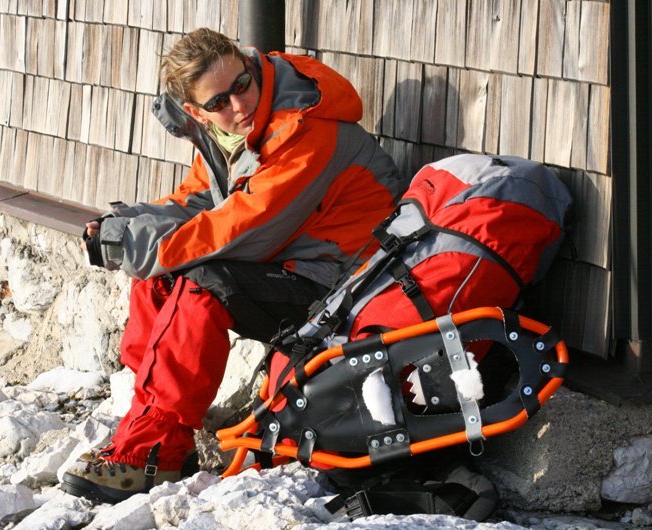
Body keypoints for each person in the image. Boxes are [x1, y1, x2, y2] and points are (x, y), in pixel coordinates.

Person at [61, 27, 406, 503]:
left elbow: (245, 228)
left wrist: (135, 244)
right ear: (196, 111)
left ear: (249, 64)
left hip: (348, 284)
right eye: (219, 101)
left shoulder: (306, 128)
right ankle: (155, 435)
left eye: (242, 84)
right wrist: (125, 222)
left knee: (202, 284)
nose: (239, 104)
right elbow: (199, 200)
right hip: (295, 265)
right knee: (156, 282)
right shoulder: (224, 133)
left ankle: (150, 450)